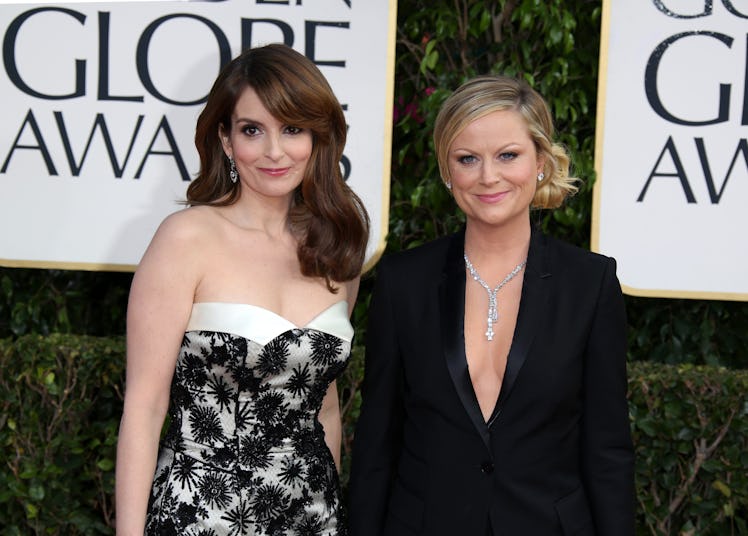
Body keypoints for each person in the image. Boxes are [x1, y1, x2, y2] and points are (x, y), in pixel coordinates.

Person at [348, 75, 634, 535]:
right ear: (446, 171)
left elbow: (607, 449)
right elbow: (377, 442)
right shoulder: (404, 281)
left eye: (508, 155)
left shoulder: (590, 284)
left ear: (540, 161)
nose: (488, 176)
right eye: (467, 159)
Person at [115, 43, 369, 535]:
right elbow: (144, 409)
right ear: (227, 141)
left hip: (311, 517)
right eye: (253, 130)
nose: (275, 151)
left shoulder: (336, 248)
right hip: (199, 515)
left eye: (292, 129)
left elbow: (327, 406)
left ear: (319, 138)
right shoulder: (185, 239)